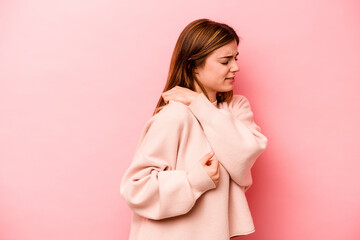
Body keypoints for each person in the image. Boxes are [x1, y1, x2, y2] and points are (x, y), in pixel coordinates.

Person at [120, 18, 268, 240]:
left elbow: (244, 157)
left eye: (235, 58)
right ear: (194, 65)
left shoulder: (236, 109)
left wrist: (199, 104)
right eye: (225, 61)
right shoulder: (175, 116)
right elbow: (136, 188)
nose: (235, 67)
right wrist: (194, 181)